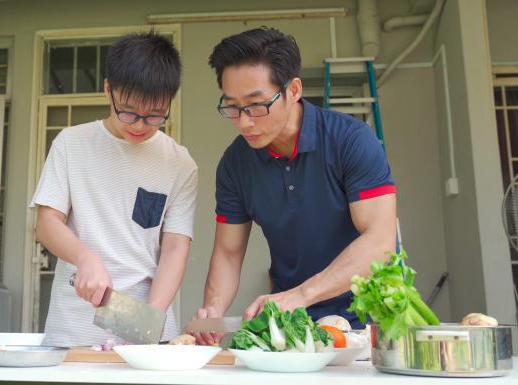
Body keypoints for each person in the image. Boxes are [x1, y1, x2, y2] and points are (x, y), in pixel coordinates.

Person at [193, 27, 397, 345]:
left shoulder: (351, 141)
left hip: (370, 321)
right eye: (231, 106)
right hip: (292, 324)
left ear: (294, 90)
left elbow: (380, 243)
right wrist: (214, 310)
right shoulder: (235, 163)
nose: (244, 121)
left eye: (257, 105)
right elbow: (228, 253)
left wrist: (301, 295)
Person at [31, 31, 198, 347]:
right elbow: (46, 223)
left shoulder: (180, 163)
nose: (138, 125)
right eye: (129, 111)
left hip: (149, 325)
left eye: (154, 115)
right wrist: (84, 258)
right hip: (73, 328)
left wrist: (147, 323)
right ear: (108, 89)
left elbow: (176, 247)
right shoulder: (71, 144)